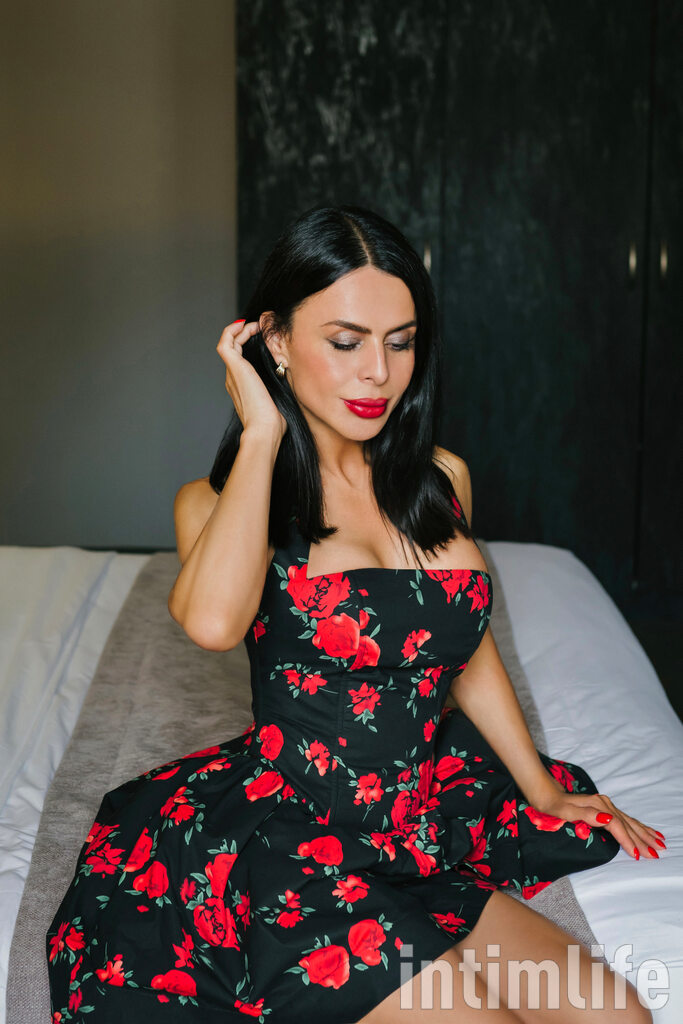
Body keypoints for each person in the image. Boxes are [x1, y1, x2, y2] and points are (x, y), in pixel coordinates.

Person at [45, 205, 661, 1022]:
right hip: (292, 843)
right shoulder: (219, 503)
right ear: (274, 340)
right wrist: (261, 433)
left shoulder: (440, 479)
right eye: (345, 342)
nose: (378, 372)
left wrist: (538, 789)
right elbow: (212, 625)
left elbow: (460, 648)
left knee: (621, 1016)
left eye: (400, 342)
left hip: (416, 833)